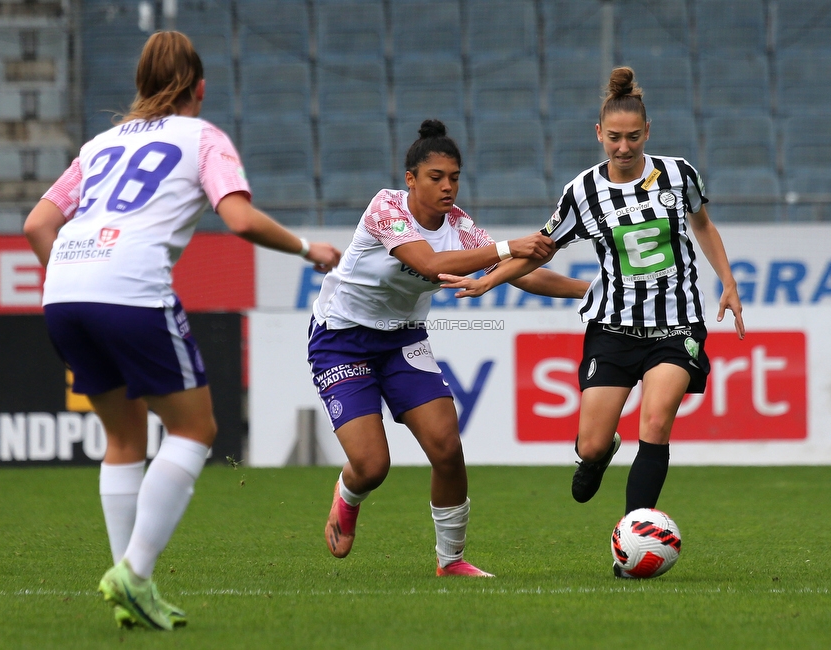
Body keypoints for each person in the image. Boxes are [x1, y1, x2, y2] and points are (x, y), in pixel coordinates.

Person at [23, 31, 341, 630]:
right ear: (199, 89)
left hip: (65, 290)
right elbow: (240, 219)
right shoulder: (203, 138)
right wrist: (307, 249)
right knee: (195, 429)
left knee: (125, 439)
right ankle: (134, 573)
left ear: (141, 86)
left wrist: (75, 275)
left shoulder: (98, 145)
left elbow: (38, 223)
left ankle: (130, 589)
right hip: (132, 290)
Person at [440, 67, 745, 578]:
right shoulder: (581, 192)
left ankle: (633, 545)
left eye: (632, 137)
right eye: (613, 137)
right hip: (613, 327)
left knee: (656, 421)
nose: (622, 147)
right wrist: (487, 281)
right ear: (598, 134)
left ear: (647, 133)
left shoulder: (679, 174)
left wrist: (728, 282)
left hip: (676, 325)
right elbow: (539, 249)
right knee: (592, 444)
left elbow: (703, 225)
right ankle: (598, 456)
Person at [310, 119, 588, 577]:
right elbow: (430, 263)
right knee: (372, 465)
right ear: (411, 179)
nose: (447, 187)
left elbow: (522, 271)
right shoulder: (385, 208)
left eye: (454, 177)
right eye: (436, 177)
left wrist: (590, 290)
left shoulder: (459, 225)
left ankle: (451, 561)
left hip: (402, 338)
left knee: (446, 447)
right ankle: (348, 494)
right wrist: (507, 246)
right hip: (342, 341)